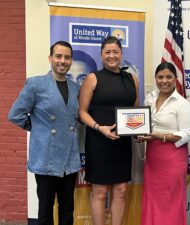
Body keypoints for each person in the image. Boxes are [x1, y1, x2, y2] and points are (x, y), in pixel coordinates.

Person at [8, 41, 81, 225]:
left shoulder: (75, 88)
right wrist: (39, 129)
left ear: (71, 60)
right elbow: (15, 115)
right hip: (45, 157)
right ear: (50, 58)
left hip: (69, 159)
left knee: (67, 209)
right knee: (45, 210)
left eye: (67, 57)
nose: (62, 61)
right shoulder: (36, 84)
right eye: (58, 56)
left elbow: (75, 118)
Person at [78, 36, 139, 225]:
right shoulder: (93, 78)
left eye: (116, 52)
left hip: (122, 143)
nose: (112, 56)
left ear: (121, 54)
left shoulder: (132, 79)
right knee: (100, 191)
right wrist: (99, 128)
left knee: (121, 190)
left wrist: (138, 129)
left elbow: (135, 111)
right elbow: (82, 112)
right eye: (107, 52)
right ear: (101, 55)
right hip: (99, 142)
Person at [139, 62, 190, 225]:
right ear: (155, 79)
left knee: (170, 201)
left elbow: (187, 133)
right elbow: (145, 124)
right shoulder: (149, 97)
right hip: (153, 158)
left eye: (169, 77)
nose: (164, 81)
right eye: (160, 77)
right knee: (152, 200)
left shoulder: (182, 103)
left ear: (175, 79)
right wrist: (141, 134)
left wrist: (160, 136)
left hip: (173, 159)